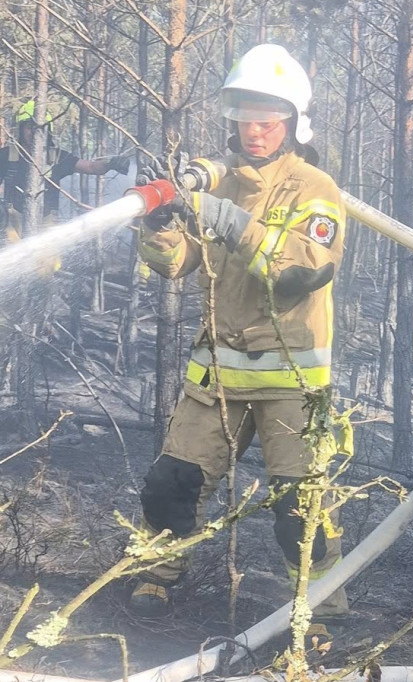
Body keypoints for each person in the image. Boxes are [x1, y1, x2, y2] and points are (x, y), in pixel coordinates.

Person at [127, 44, 350, 642]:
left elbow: (304, 268)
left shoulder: (314, 188)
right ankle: (157, 576)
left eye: (267, 120)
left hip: (291, 386)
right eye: (244, 119)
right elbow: (179, 263)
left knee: (298, 511)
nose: (253, 132)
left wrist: (226, 219)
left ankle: (321, 610)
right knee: (172, 483)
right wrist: (161, 224)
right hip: (217, 376)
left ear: (293, 122)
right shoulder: (220, 178)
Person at [1, 99, 131, 244]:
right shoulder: (7, 155)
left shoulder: (56, 156)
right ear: (21, 129)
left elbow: (91, 167)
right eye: (29, 127)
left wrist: (111, 163)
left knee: (49, 264)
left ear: (47, 130)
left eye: (39, 128)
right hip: (12, 223)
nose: (34, 132)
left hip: (46, 224)